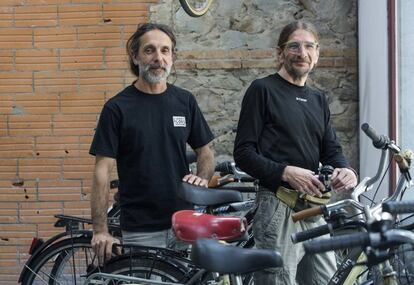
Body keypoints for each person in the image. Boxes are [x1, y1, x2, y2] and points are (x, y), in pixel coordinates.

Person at [233, 21, 358, 285]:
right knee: (278, 280)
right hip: (278, 204)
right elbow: (243, 152)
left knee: (324, 281)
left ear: (317, 54)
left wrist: (345, 169)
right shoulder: (262, 90)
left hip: (313, 208)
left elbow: (331, 148)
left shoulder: (317, 99)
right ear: (280, 54)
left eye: (309, 46)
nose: (302, 53)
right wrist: (285, 172)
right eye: (294, 46)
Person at [89, 23, 215, 266]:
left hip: (185, 222)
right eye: (150, 50)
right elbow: (101, 171)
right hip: (141, 228)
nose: (159, 58)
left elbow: (206, 151)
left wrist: (203, 176)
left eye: (165, 51)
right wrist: (100, 230)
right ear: (135, 56)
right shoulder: (117, 108)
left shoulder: (184, 101)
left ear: (172, 57)